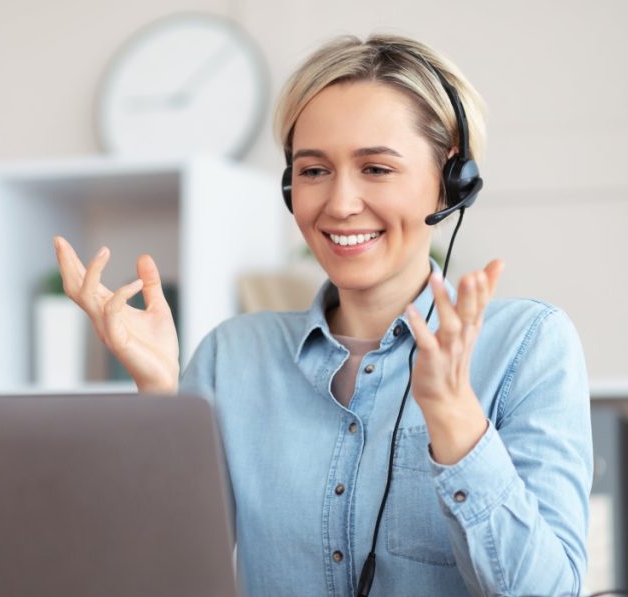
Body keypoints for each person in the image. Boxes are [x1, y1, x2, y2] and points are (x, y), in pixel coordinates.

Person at [53, 33, 592, 597]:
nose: (338, 204)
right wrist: (160, 401)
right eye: (313, 171)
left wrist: (456, 422)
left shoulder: (527, 346)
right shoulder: (233, 356)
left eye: (377, 169)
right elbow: (162, 577)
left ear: (451, 181)